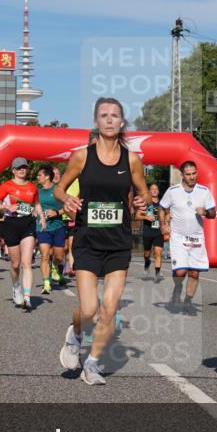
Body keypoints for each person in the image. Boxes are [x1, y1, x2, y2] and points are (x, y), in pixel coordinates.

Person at [55, 97, 150, 385]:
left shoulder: (131, 159)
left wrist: (143, 201)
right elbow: (59, 189)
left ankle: (92, 363)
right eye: (104, 115)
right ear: (96, 122)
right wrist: (66, 198)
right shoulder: (82, 156)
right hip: (87, 240)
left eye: (114, 115)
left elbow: (143, 193)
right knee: (89, 310)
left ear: (122, 122)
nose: (109, 119)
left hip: (118, 242)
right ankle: (75, 334)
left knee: (109, 307)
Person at [0, 158, 46, 310]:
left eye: (24, 167)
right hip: (11, 224)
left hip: (28, 224)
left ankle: (27, 297)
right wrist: (6, 207)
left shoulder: (32, 187)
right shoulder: (7, 185)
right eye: (19, 168)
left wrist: (41, 217)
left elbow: (36, 204)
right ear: (13, 170)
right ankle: (16, 287)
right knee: (15, 264)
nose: (22, 170)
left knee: (27, 263)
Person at [160, 162, 216, 313]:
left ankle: (188, 302)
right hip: (178, 237)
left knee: (194, 272)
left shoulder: (204, 191)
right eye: (188, 174)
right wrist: (163, 225)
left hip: (197, 237)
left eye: (194, 173)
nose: (192, 177)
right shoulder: (173, 191)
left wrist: (205, 212)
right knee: (180, 272)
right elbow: (162, 207)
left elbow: (213, 213)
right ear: (182, 175)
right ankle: (178, 287)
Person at [35, 165, 68, 294]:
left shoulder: (57, 190)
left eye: (40, 175)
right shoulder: (37, 191)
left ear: (47, 177)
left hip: (58, 225)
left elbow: (67, 207)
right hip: (42, 227)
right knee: (45, 255)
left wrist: (56, 212)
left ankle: (55, 265)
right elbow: (33, 206)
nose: (37, 177)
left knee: (59, 256)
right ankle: (46, 283)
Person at [136, 183, 165, 282]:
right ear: (149, 192)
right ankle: (147, 262)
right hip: (148, 232)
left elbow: (167, 214)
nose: (154, 190)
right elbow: (137, 216)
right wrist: (146, 217)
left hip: (158, 232)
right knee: (147, 254)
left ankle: (157, 273)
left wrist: (167, 221)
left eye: (156, 189)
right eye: (152, 189)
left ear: (158, 191)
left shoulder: (162, 204)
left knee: (158, 253)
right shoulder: (146, 203)